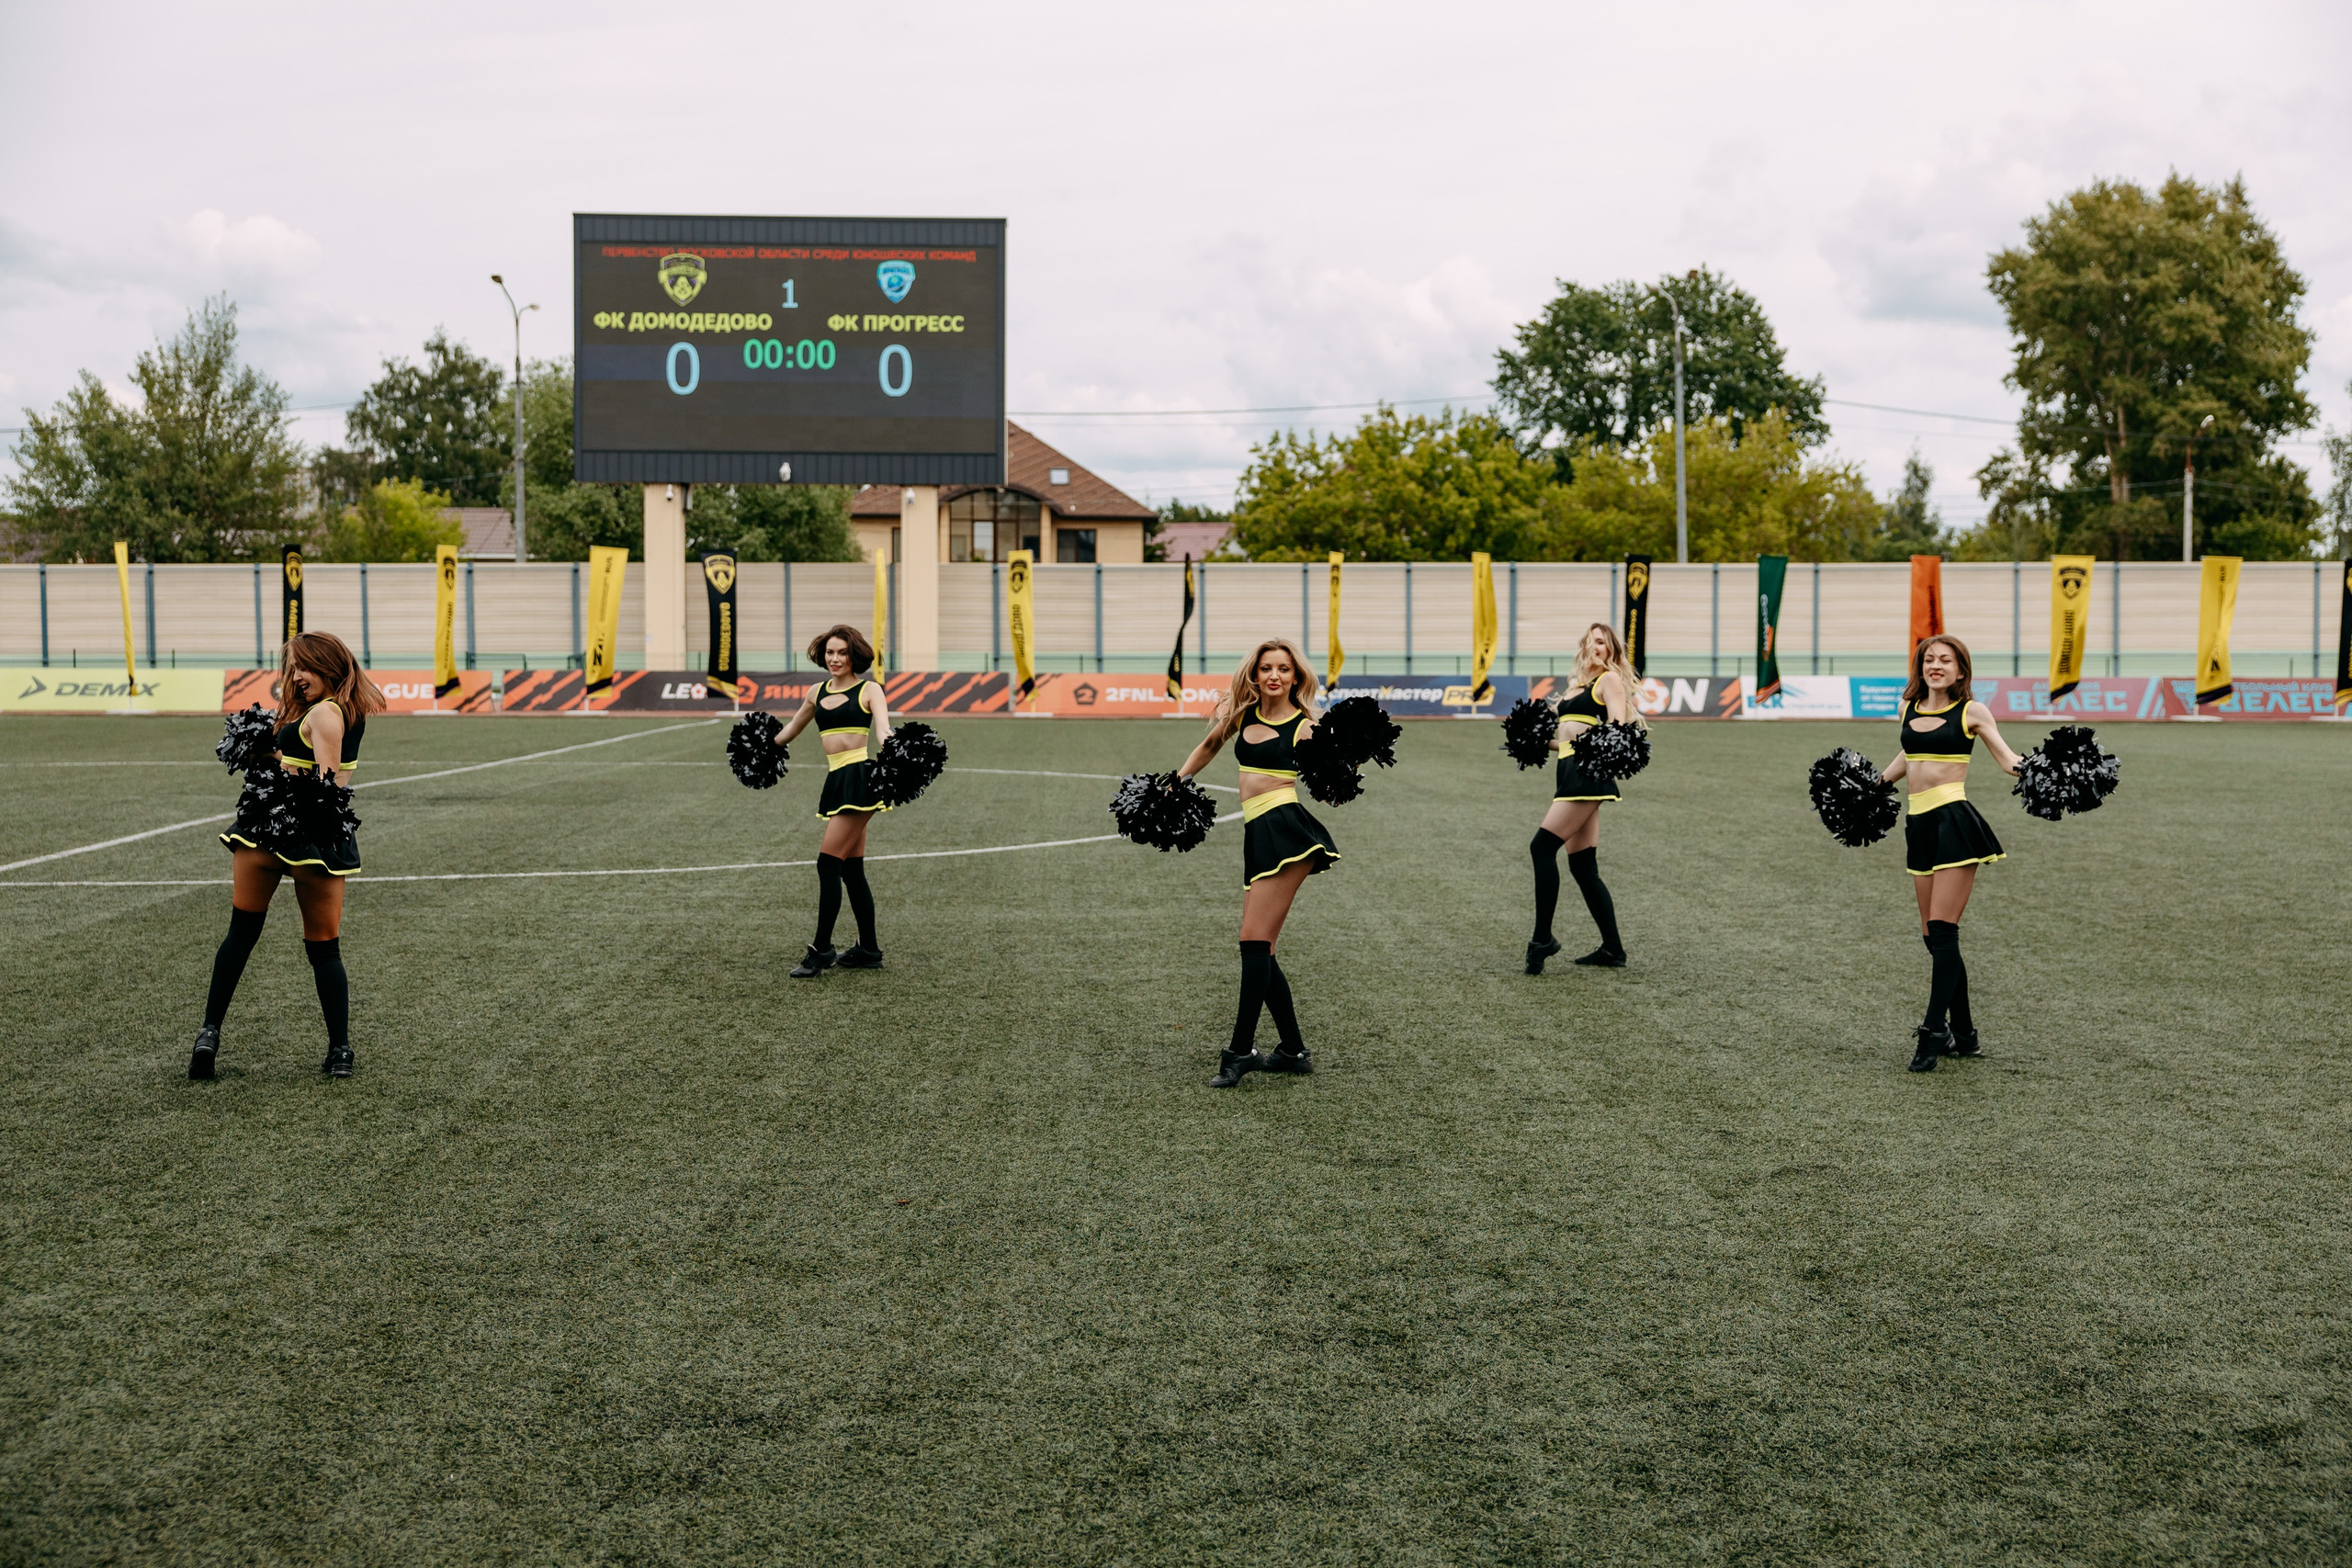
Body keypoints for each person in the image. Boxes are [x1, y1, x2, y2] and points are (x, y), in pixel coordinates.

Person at [192, 631, 384, 1081]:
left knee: (243, 935)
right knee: (323, 949)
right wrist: (271, 751)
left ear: (330, 666)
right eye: (293, 668)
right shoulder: (338, 711)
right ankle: (340, 1050)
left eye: (306, 667)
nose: (297, 676)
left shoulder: (326, 714)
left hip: (281, 834)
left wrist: (277, 770)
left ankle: (209, 1033)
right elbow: (304, 763)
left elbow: (327, 787)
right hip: (308, 846)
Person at [1174, 638, 1340, 1088]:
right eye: (1267, 668)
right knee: (1261, 948)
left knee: (1252, 940)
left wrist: (1341, 764)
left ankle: (1240, 1050)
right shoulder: (1242, 715)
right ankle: (1292, 1049)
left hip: (1287, 833)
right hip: (1257, 833)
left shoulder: (1305, 727)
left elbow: (1330, 786)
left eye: (1283, 669)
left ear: (1295, 676)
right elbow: (1209, 744)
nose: (1274, 676)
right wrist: (1177, 782)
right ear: (1255, 674)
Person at [1879, 635, 2023, 1073]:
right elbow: (1911, 754)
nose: (1936, 665)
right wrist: (1875, 785)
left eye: (1945, 659)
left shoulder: (1971, 712)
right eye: (1929, 659)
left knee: (1943, 931)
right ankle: (1964, 1033)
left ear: (1961, 670)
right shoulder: (1908, 708)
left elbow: (2007, 760)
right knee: (1932, 937)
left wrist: (2044, 769)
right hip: (1918, 824)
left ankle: (1931, 1033)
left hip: (1953, 822)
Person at [774, 625, 892, 978]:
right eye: (830, 652)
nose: (835, 659)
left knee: (828, 865)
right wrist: (763, 746)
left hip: (860, 778)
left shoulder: (869, 690)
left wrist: (897, 749)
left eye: (842, 652)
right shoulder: (816, 691)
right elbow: (791, 729)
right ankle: (868, 949)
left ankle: (822, 950)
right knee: (851, 870)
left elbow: (884, 731)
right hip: (836, 778)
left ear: (854, 655)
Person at [1526, 621, 1645, 975]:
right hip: (1567, 770)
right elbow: (1566, 739)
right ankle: (1612, 949)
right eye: (1592, 641)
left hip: (1587, 774)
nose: (1597, 647)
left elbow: (1618, 727)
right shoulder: (1575, 686)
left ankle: (1542, 939)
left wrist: (1599, 744)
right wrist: (1533, 741)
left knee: (1542, 847)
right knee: (1582, 866)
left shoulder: (1609, 680)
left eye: (1603, 643)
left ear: (1611, 650)